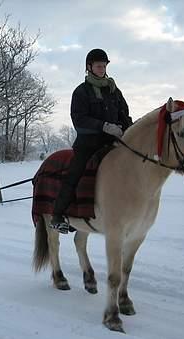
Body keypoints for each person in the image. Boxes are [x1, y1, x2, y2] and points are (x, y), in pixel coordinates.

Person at [51, 48, 133, 233]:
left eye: (104, 65)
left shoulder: (114, 90)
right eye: (98, 65)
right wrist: (104, 126)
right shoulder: (81, 92)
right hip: (88, 144)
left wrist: (127, 128)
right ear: (89, 67)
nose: (102, 68)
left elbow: (124, 114)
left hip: (113, 143)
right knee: (75, 173)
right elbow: (78, 119)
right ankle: (58, 215)